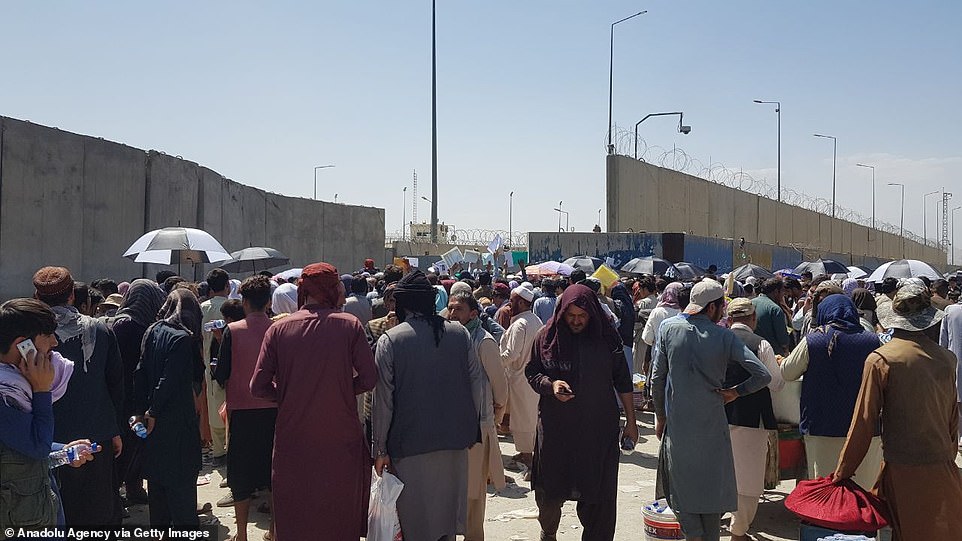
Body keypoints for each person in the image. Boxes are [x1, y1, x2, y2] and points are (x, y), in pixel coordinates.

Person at [251, 263, 377, 541]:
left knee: (296, 509)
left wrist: (289, 394)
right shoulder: (349, 325)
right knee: (339, 510)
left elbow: (258, 386)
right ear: (331, 289)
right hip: (340, 436)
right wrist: (341, 390)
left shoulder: (278, 329)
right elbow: (369, 379)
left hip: (294, 438)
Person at [835, 283, 962, 539]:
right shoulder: (947, 359)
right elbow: (952, 420)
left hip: (902, 469)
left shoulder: (881, 359)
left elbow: (864, 422)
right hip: (942, 468)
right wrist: (947, 457)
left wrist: (843, 472)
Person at [651, 279, 771, 541]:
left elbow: (656, 380)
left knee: (683, 493)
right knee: (711, 496)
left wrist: (660, 417)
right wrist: (735, 392)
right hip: (714, 427)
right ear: (713, 307)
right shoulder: (724, 336)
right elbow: (763, 375)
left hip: (679, 427)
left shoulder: (668, 329)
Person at [373, 270, 482, 541]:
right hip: (455, 444)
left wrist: (380, 449)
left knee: (415, 525)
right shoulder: (460, 334)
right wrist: (471, 430)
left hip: (409, 447)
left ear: (403, 303)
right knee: (445, 525)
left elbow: (383, 401)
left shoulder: (391, 340)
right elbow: (476, 387)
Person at [525, 284, 637, 541]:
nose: (576, 321)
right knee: (549, 493)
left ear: (592, 314)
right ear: (562, 313)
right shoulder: (545, 337)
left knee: (599, 497)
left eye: (582, 316)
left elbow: (623, 381)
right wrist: (551, 385)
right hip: (556, 431)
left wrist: (631, 422)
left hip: (597, 432)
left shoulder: (608, 339)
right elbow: (532, 372)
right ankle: (548, 533)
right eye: (571, 316)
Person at [32, 266, 124, 526]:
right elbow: (116, 385)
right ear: (72, 294)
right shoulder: (100, 329)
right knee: (98, 510)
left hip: (48, 438)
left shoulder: (31, 337)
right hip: (97, 434)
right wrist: (115, 429)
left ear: (37, 297)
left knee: (58, 510)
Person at [0, 298, 96, 535]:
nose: (55, 342)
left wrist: (63, 451)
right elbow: (37, 446)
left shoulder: (14, 384)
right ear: (22, 345)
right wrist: (41, 391)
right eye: (48, 335)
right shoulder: (5, 394)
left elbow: (19, 444)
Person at [780, 294, 882, 489]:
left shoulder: (813, 341)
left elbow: (787, 373)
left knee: (826, 489)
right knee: (863, 488)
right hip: (865, 428)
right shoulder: (873, 341)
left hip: (822, 426)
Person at [213, 276, 277, 541]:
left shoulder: (232, 330)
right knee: (272, 472)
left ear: (245, 302)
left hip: (241, 410)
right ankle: (273, 531)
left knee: (240, 475)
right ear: (269, 302)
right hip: (273, 409)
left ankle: (241, 534)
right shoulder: (278, 329)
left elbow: (221, 373)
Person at [133, 289, 204, 527]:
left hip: (153, 427)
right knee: (182, 495)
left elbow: (140, 373)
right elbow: (170, 379)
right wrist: (153, 410)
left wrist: (141, 412)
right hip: (177, 422)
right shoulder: (183, 339)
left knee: (158, 490)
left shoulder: (152, 331)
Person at [447, 293, 508, 541]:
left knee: (473, 491)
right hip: (451, 428)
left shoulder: (484, 342)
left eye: (459, 309)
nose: (452, 314)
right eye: (450, 309)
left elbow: (499, 385)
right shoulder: (449, 338)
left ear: (473, 313)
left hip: (478, 426)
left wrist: (497, 414)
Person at [723, 299, 785, 541]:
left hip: (716, 415)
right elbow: (776, 383)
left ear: (729, 319)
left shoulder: (716, 340)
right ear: (753, 319)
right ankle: (738, 531)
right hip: (752, 417)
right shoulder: (761, 344)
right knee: (748, 477)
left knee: (720, 470)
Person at [105, 279, 166, 506]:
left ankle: (133, 488)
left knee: (135, 444)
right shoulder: (132, 326)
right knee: (129, 445)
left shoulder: (122, 323)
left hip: (124, 395)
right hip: (128, 396)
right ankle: (119, 494)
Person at [500, 285, 544, 477]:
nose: (509, 305)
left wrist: (492, 362)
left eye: (512, 301)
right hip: (530, 378)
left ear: (521, 302)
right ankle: (526, 452)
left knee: (522, 419)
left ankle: (527, 457)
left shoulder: (520, 324)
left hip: (520, 378)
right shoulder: (535, 320)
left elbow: (511, 354)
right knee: (528, 417)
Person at [200, 268, 231, 466]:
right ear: (227, 286)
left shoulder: (202, 308)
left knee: (213, 407)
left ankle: (218, 452)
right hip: (230, 366)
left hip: (207, 365)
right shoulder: (232, 306)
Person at [939, 292, 962, 444]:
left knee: (957, 399)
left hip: (955, 361)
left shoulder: (951, 311)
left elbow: (943, 341)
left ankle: (959, 436)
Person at [751, 278, 791, 355]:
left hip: (753, 351)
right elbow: (783, 340)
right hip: (772, 353)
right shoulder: (775, 309)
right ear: (776, 291)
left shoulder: (751, 303)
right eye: (782, 291)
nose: (784, 294)